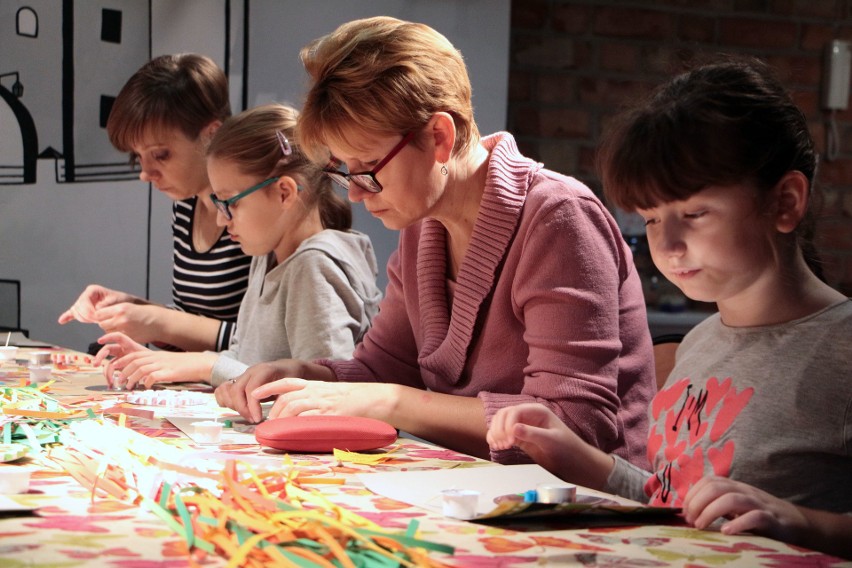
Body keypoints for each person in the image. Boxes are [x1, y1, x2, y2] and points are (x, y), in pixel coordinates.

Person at [215, 16, 656, 465]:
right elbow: (382, 368)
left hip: (586, 510)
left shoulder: (558, 218)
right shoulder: (421, 226)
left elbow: (573, 423)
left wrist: (391, 403)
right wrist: (303, 374)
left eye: (368, 167)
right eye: (345, 170)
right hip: (472, 484)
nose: (358, 193)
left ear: (439, 136)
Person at [486, 59, 852, 558]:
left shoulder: (841, 349)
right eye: (653, 219)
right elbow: (672, 504)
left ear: (785, 201)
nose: (669, 244)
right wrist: (576, 457)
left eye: (695, 214)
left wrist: (804, 522)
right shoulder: (700, 344)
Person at [93, 103, 382, 389]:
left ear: (284, 193)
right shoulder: (266, 256)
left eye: (230, 203)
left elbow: (325, 388)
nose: (221, 219)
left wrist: (205, 366)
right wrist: (162, 362)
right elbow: (244, 356)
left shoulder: (313, 267)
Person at [58, 53, 251, 353]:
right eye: (138, 157)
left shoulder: (256, 211)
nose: (145, 174)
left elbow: (265, 345)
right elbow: (196, 321)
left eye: (161, 155)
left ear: (211, 135)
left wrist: (156, 320)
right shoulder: (186, 205)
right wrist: (130, 307)